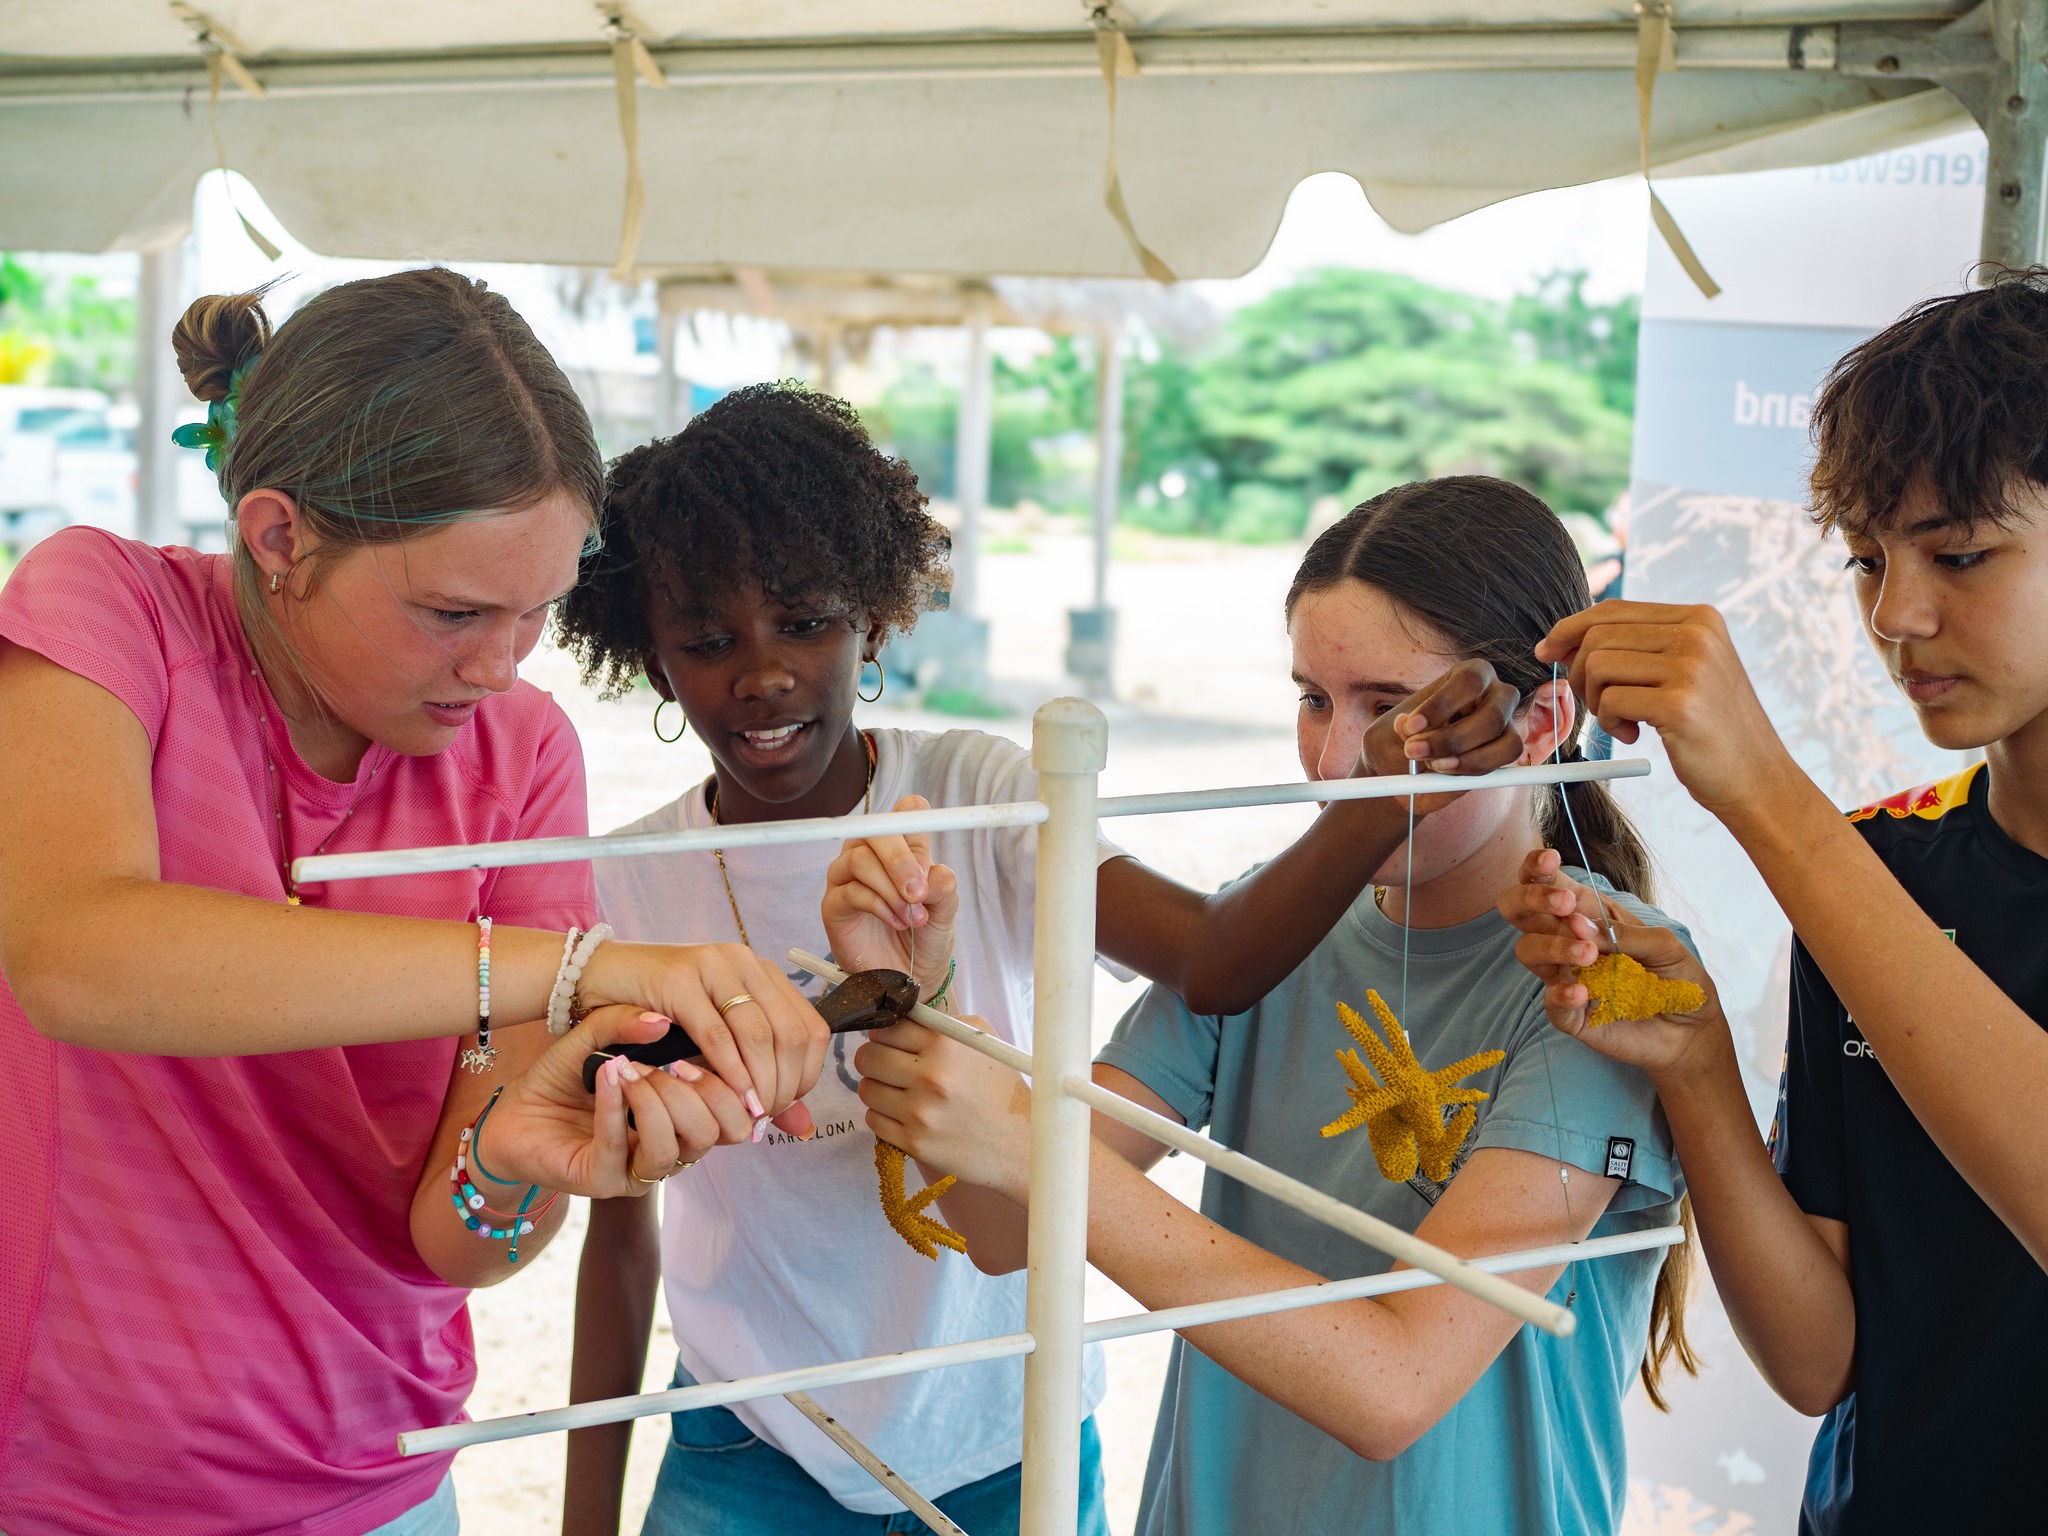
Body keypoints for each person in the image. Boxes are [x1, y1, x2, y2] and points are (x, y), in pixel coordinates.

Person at [552, 386, 1526, 1536]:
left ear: (872, 619)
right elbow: (620, 1230)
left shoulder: (980, 796)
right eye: (708, 642)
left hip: (1008, 1436)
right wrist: (583, 1520)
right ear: (651, 663)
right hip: (748, 1445)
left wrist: (1378, 798)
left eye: (804, 622)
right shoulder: (624, 886)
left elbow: (1209, 961)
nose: (761, 673)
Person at [0, 272, 826, 1536]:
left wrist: (515, 1161)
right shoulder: (109, 610)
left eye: (537, 610)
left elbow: (462, 1244)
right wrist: (569, 971)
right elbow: (77, 954)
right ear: (279, 539)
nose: (497, 666)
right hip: (63, 1488)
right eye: (452, 612)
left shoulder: (523, 751)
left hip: (380, 1482)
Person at [858, 476, 1698, 1536]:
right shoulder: (1266, 929)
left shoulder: (1604, 971)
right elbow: (1000, 1228)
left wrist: (1033, 1146)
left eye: (1388, 706)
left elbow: (1394, 1386)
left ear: (1539, 723)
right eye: (1313, 699)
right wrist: (919, 988)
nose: (1338, 760)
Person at [1507, 270, 2048, 1533]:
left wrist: (1761, 788)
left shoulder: (1833, 867)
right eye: (1865, 560)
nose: (1893, 614)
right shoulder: (1878, 872)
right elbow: (1817, 1362)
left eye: (1958, 555)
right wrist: (1695, 1059)